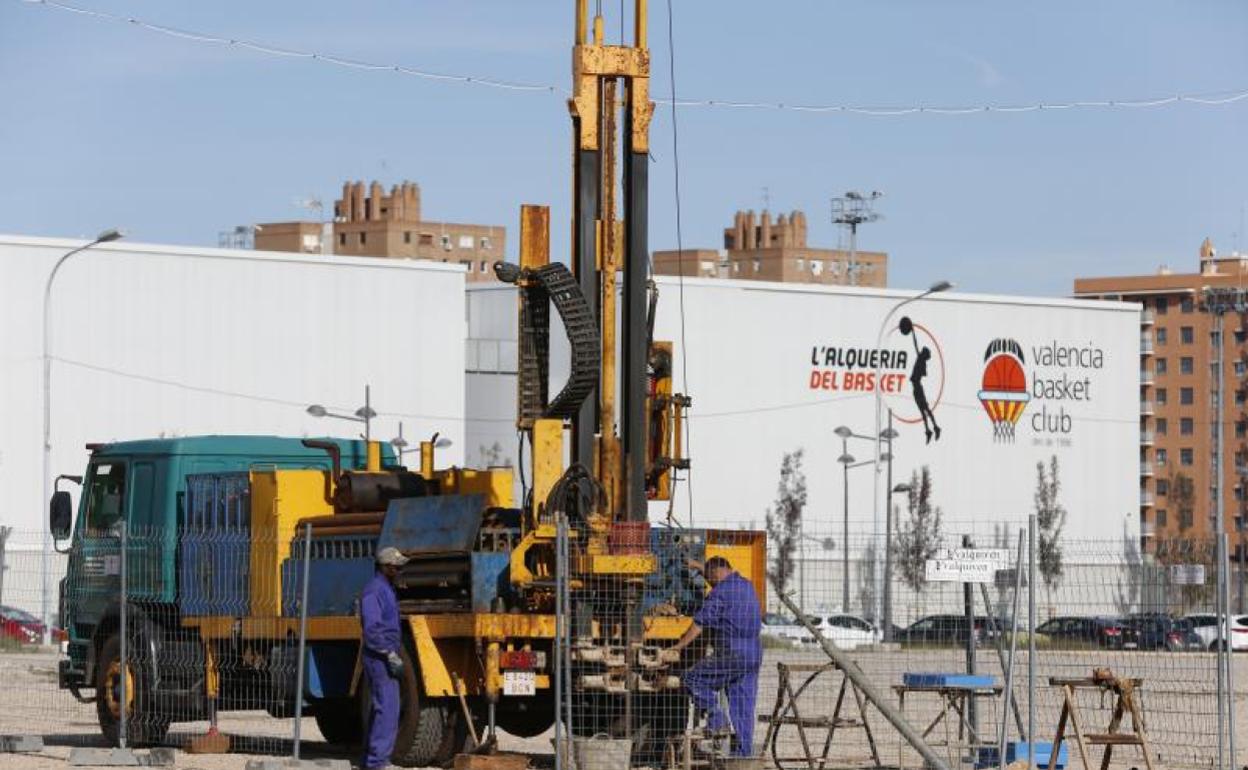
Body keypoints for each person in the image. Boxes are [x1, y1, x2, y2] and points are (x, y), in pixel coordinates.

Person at [663, 556, 762, 757]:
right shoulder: (747, 585)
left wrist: (679, 647)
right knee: (743, 705)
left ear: (715, 574)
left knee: (693, 678)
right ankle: (743, 757)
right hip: (754, 653)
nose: (708, 583)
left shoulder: (720, 593)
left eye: (709, 578)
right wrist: (698, 566)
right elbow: (715, 572)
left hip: (732, 652)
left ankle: (717, 720)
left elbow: (699, 623)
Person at [360, 546, 409, 770]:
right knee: (387, 707)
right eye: (396, 567)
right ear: (385, 566)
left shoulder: (385, 589)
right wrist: (388, 653)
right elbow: (372, 629)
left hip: (384, 655)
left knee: (383, 707)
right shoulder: (374, 591)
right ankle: (377, 762)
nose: (399, 570)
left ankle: (372, 758)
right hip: (379, 657)